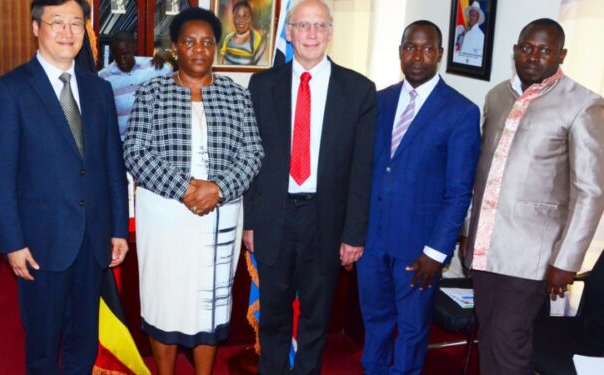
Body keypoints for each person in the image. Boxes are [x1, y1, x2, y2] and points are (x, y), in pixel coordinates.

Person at [0, 0, 129, 373]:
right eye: (57, 23)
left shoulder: (99, 90)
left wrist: (117, 229)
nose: (68, 33)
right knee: (43, 345)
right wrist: (12, 243)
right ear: (36, 27)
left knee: (84, 340)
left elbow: (112, 163)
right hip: (40, 243)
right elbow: (0, 175)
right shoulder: (10, 89)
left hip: (93, 240)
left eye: (76, 24)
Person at [123, 7, 263, 375]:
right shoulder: (152, 92)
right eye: (189, 42)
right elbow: (135, 152)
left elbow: (253, 153)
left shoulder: (236, 95)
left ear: (216, 47)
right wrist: (185, 189)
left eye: (207, 42)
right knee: (166, 300)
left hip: (220, 216)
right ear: (175, 48)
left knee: (209, 304)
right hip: (167, 217)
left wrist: (219, 188)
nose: (199, 50)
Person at [464, 18, 604, 375]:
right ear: (515, 50)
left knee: (510, 340)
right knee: (490, 334)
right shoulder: (497, 96)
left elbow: (591, 191)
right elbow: (483, 172)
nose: (534, 56)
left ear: (561, 54)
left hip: (533, 254)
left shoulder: (583, 105)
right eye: (527, 47)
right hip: (485, 245)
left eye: (545, 50)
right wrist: (468, 227)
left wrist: (566, 260)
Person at [243, 0, 376, 372]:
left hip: (327, 222)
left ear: (330, 33)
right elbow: (251, 159)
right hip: (274, 219)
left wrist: (354, 234)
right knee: (273, 319)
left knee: (316, 321)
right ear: (289, 32)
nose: (312, 34)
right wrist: (250, 222)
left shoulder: (359, 91)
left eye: (320, 26)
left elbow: (362, 170)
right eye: (303, 26)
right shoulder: (262, 85)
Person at [358, 21, 481, 375]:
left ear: (440, 54)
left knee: (411, 330)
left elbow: (459, 191)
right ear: (400, 51)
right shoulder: (378, 101)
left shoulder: (461, 111)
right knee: (375, 320)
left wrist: (436, 252)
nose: (418, 56)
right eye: (410, 47)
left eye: (427, 49)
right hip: (372, 240)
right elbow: (369, 171)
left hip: (420, 248)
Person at [98, 31, 173, 141]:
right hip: (122, 143)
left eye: (125, 53)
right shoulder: (103, 78)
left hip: (153, 140)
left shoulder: (154, 67)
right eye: (117, 54)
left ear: (134, 48)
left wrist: (168, 54)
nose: (122, 59)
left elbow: (183, 75)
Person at [219, 1, 267, 65]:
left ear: (250, 18)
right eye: (237, 16)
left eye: (245, 16)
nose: (241, 20)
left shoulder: (258, 41)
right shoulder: (228, 39)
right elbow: (221, 64)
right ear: (233, 18)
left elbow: (261, 68)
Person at [453, 1, 485, 66]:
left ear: (478, 18)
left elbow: (479, 59)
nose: (471, 17)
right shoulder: (465, 32)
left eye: (474, 15)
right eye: (470, 15)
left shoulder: (481, 36)